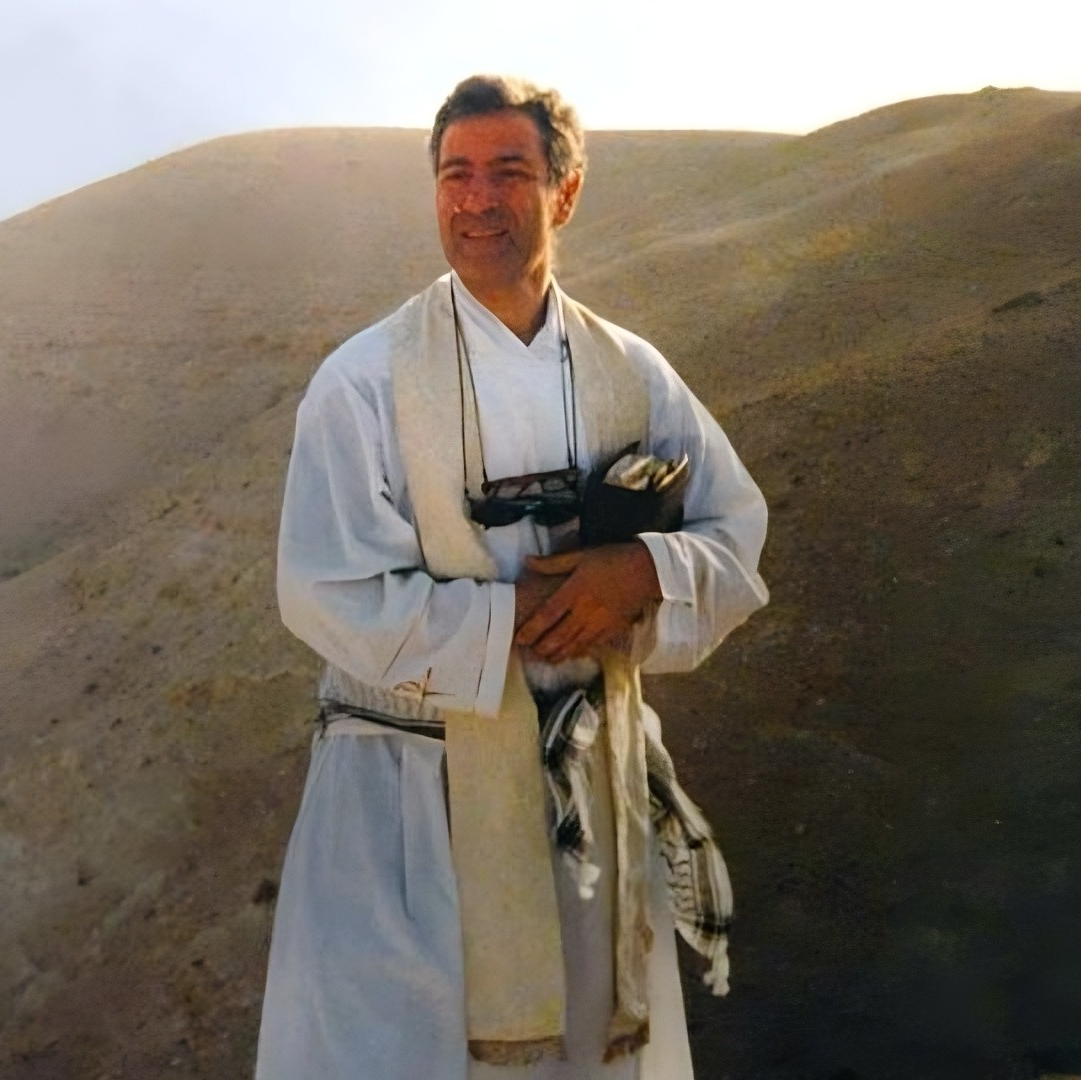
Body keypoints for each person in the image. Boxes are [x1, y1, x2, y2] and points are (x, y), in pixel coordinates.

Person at [257, 74, 769, 1080]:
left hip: (584, 807)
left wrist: (641, 569)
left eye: (509, 172)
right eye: (456, 174)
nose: (478, 199)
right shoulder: (363, 384)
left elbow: (735, 536)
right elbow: (324, 590)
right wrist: (510, 622)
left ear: (564, 192)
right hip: (409, 810)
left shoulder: (634, 374)